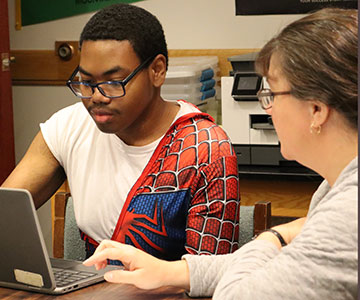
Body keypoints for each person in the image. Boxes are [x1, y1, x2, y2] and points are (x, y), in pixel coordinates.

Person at [84, 7, 358, 299]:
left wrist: (272, 237)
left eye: (272, 94)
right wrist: (168, 272)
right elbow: (269, 270)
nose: (268, 108)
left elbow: (237, 295)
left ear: (316, 110)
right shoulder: (333, 188)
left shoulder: (347, 213)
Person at [1, 3, 240, 261]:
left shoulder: (205, 148)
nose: (96, 97)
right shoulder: (70, 126)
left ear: (157, 70)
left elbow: (210, 277)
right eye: (87, 82)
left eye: (113, 83)